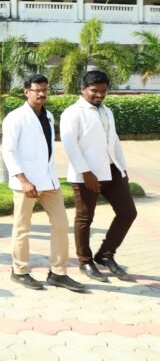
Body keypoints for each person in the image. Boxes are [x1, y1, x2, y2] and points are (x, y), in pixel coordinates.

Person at [2, 74, 84, 292]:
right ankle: (19, 271)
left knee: (61, 225)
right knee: (22, 228)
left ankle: (58, 273)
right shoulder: (15, 117)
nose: (41, 94)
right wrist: (23, 180)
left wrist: (53, 179)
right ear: (26, 92)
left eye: (44, 90)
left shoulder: (48, 115)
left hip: (49, 181)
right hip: (26, 184)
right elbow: (8, 151)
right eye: (36, 90)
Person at [60, 70, 137, 282]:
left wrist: (123, 169)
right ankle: (85, 261)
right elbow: (70, 146)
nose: (100, 95)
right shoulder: (72, 113)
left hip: (112, 171)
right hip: (87, 174)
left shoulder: (107, 111)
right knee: (85, 218)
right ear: (83, 89)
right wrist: (86, 173)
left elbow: (115, 141)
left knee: (128, 212)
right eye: (94, 90)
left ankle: (105, 254)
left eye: (104, 91)